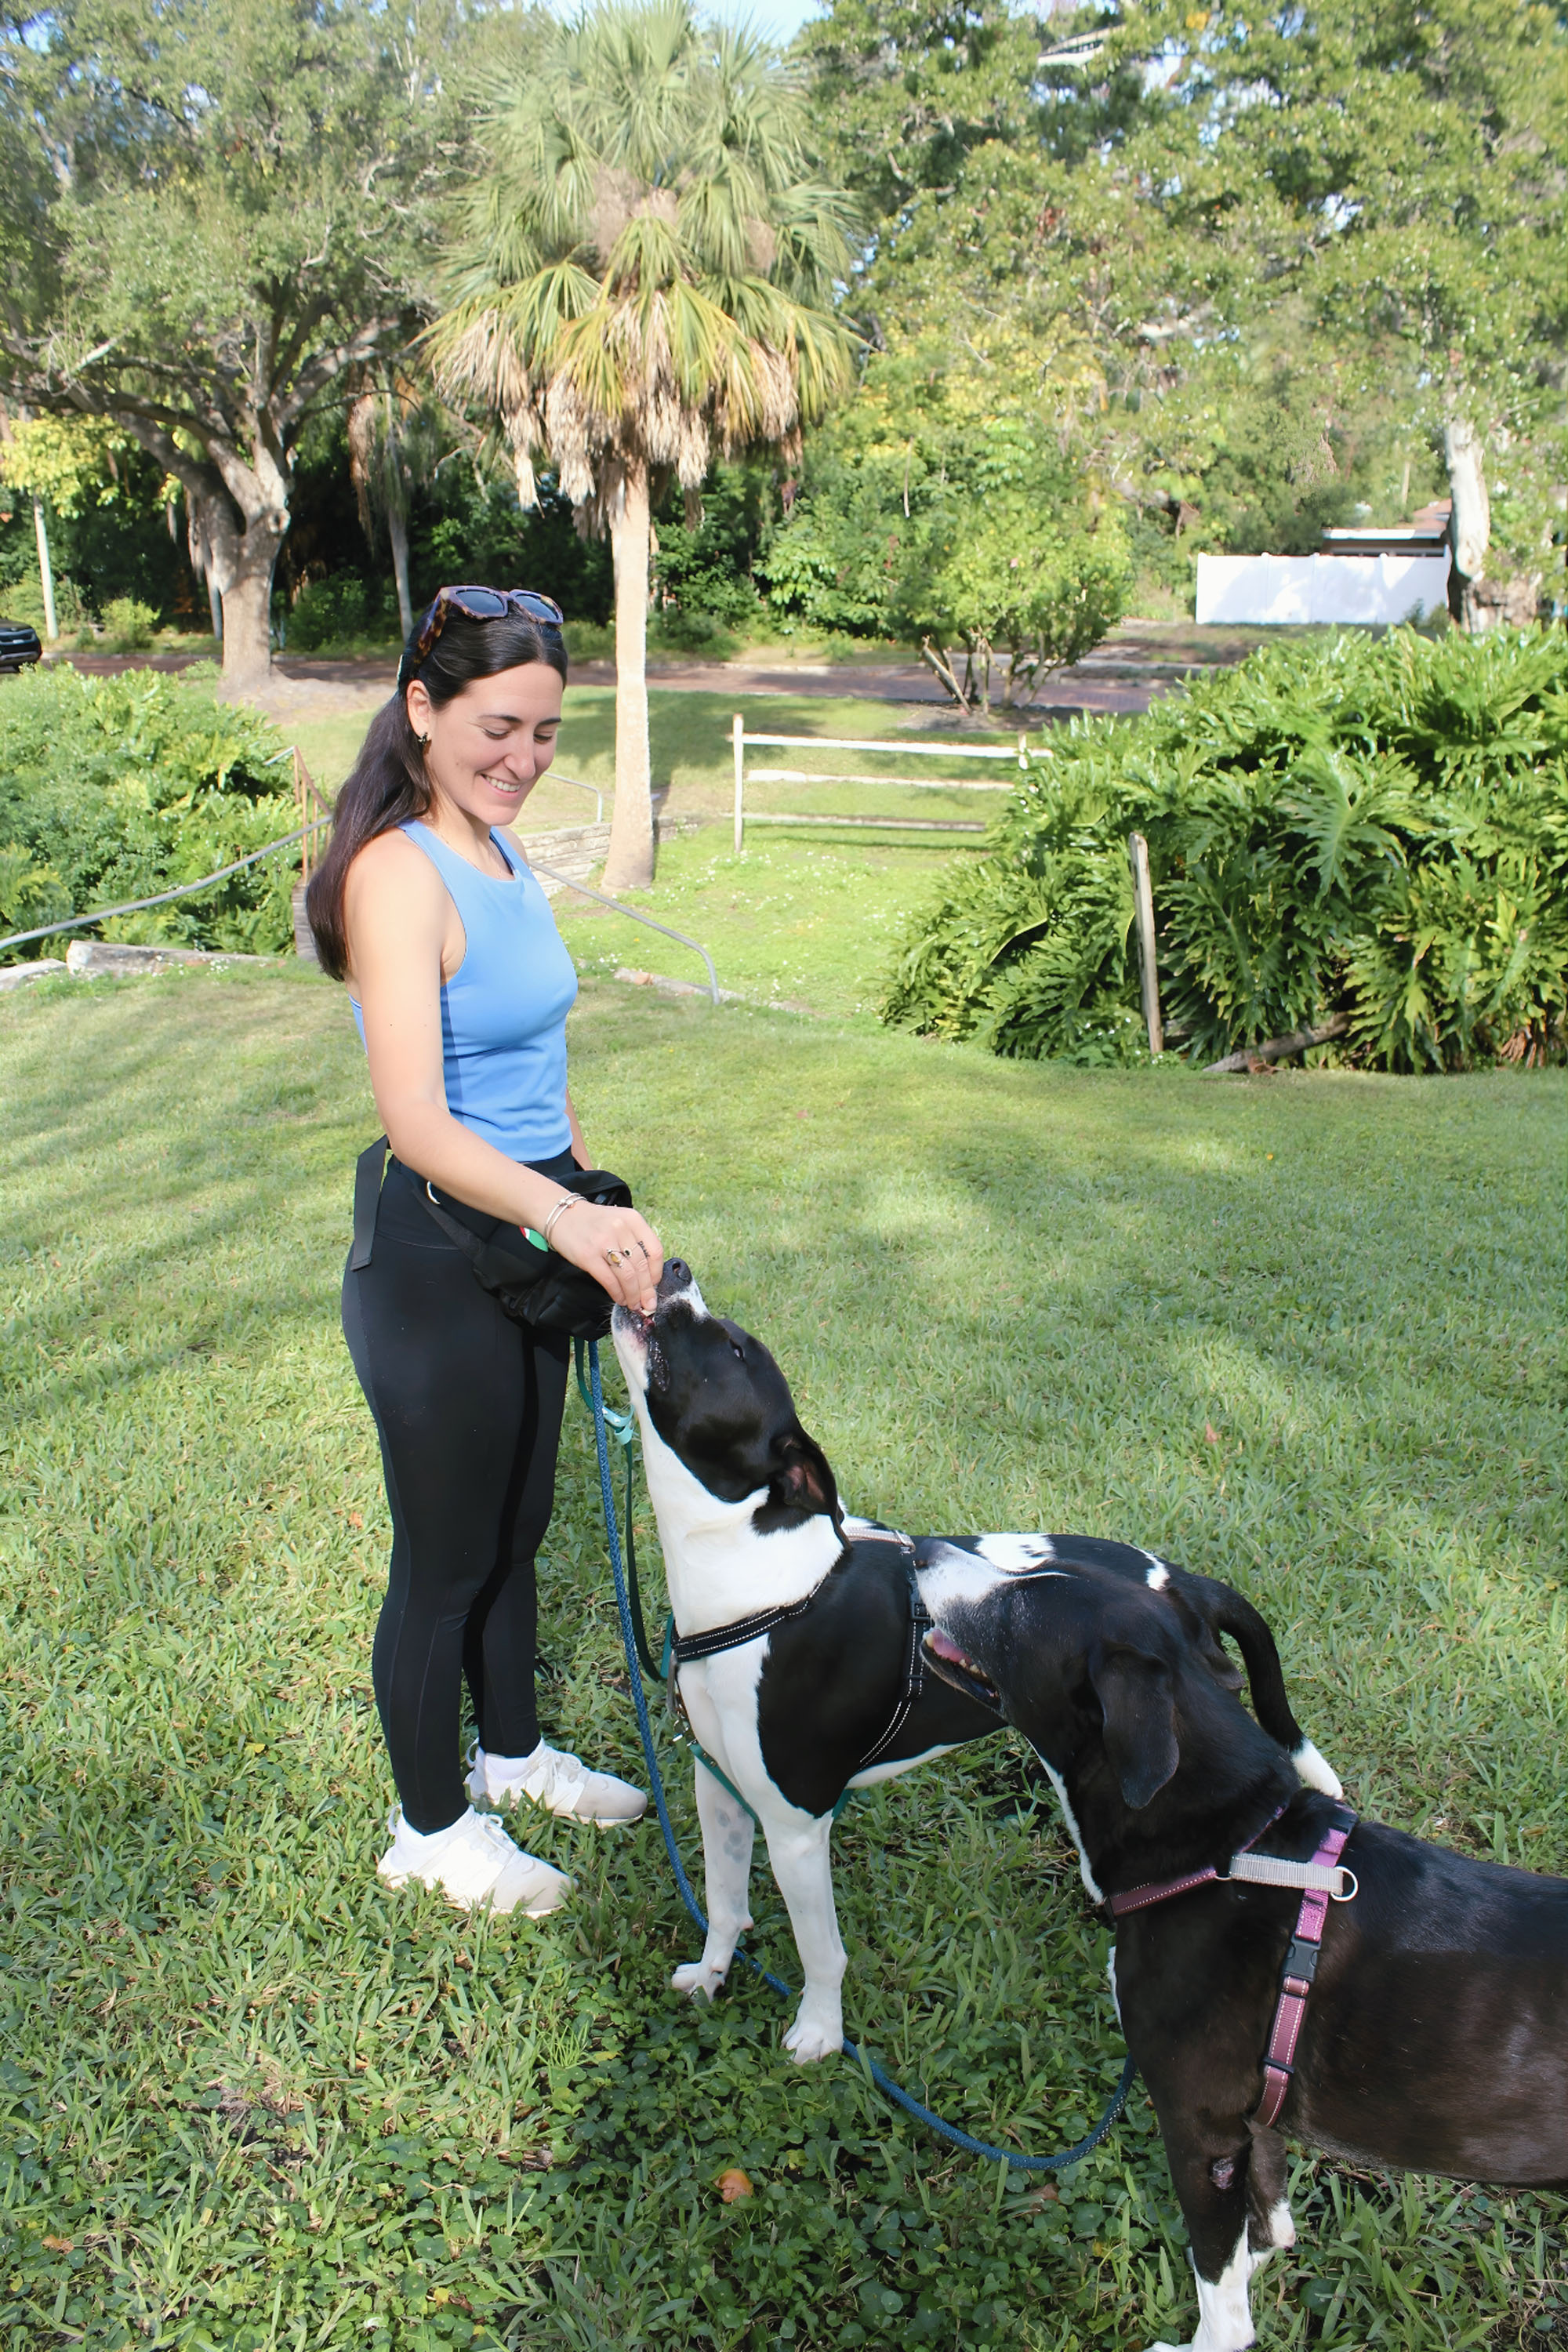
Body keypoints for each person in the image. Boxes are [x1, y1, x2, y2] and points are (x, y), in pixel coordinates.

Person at [306, 586, 662, 1917]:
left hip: (528, 1224)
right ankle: (431, 1826)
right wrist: (556, 1210)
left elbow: (529, 1062)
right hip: (436, 1255)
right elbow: (416, 1116)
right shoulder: (396, 873)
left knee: (520, 1524)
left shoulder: (507, 859)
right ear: (421, 712)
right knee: (445, 1556)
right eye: (496, 727)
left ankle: (510, 1758)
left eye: (547, 734)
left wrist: (586, 1188)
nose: (523, 759)